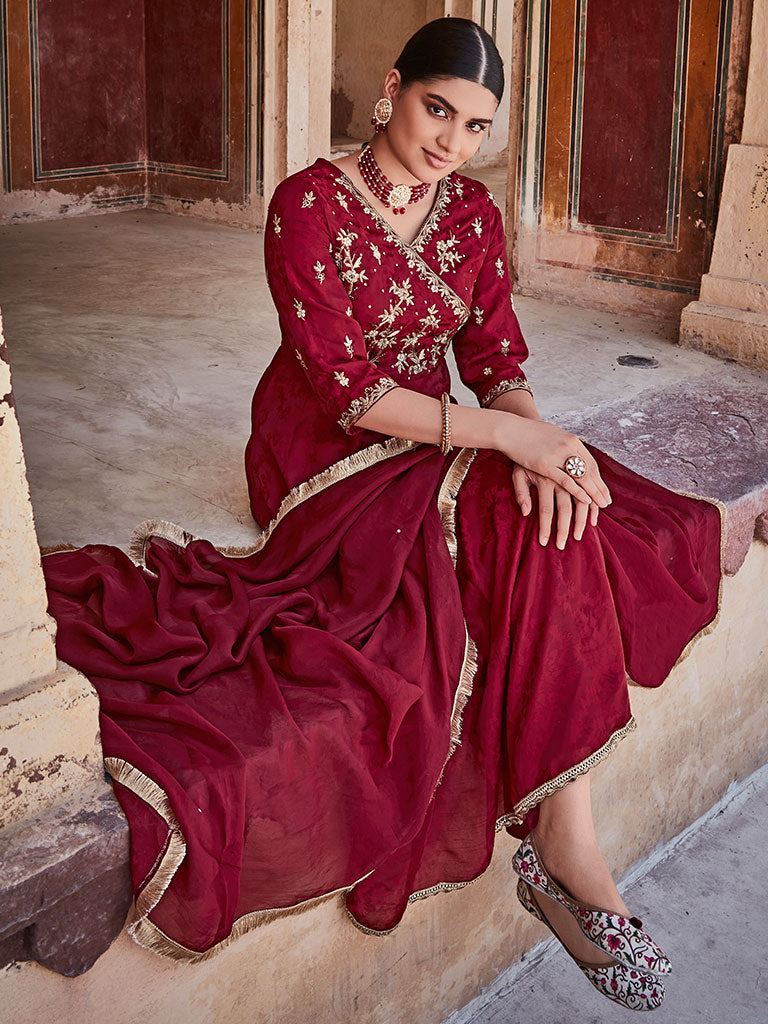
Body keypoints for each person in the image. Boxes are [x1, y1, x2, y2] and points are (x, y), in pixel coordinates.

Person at [43, 17, 722, 1011]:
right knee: (514, 497)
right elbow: (348, 391)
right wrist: (503, 441)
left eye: (476, 125)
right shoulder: (307, 205)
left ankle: (561, 844)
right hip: (326, 449)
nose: (451, 140)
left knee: (564, 502)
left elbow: (494, 362)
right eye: (437, 108)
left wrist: (530, 435)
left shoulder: (473, 217)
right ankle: (568, 850)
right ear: (391, 92)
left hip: (440, 436)